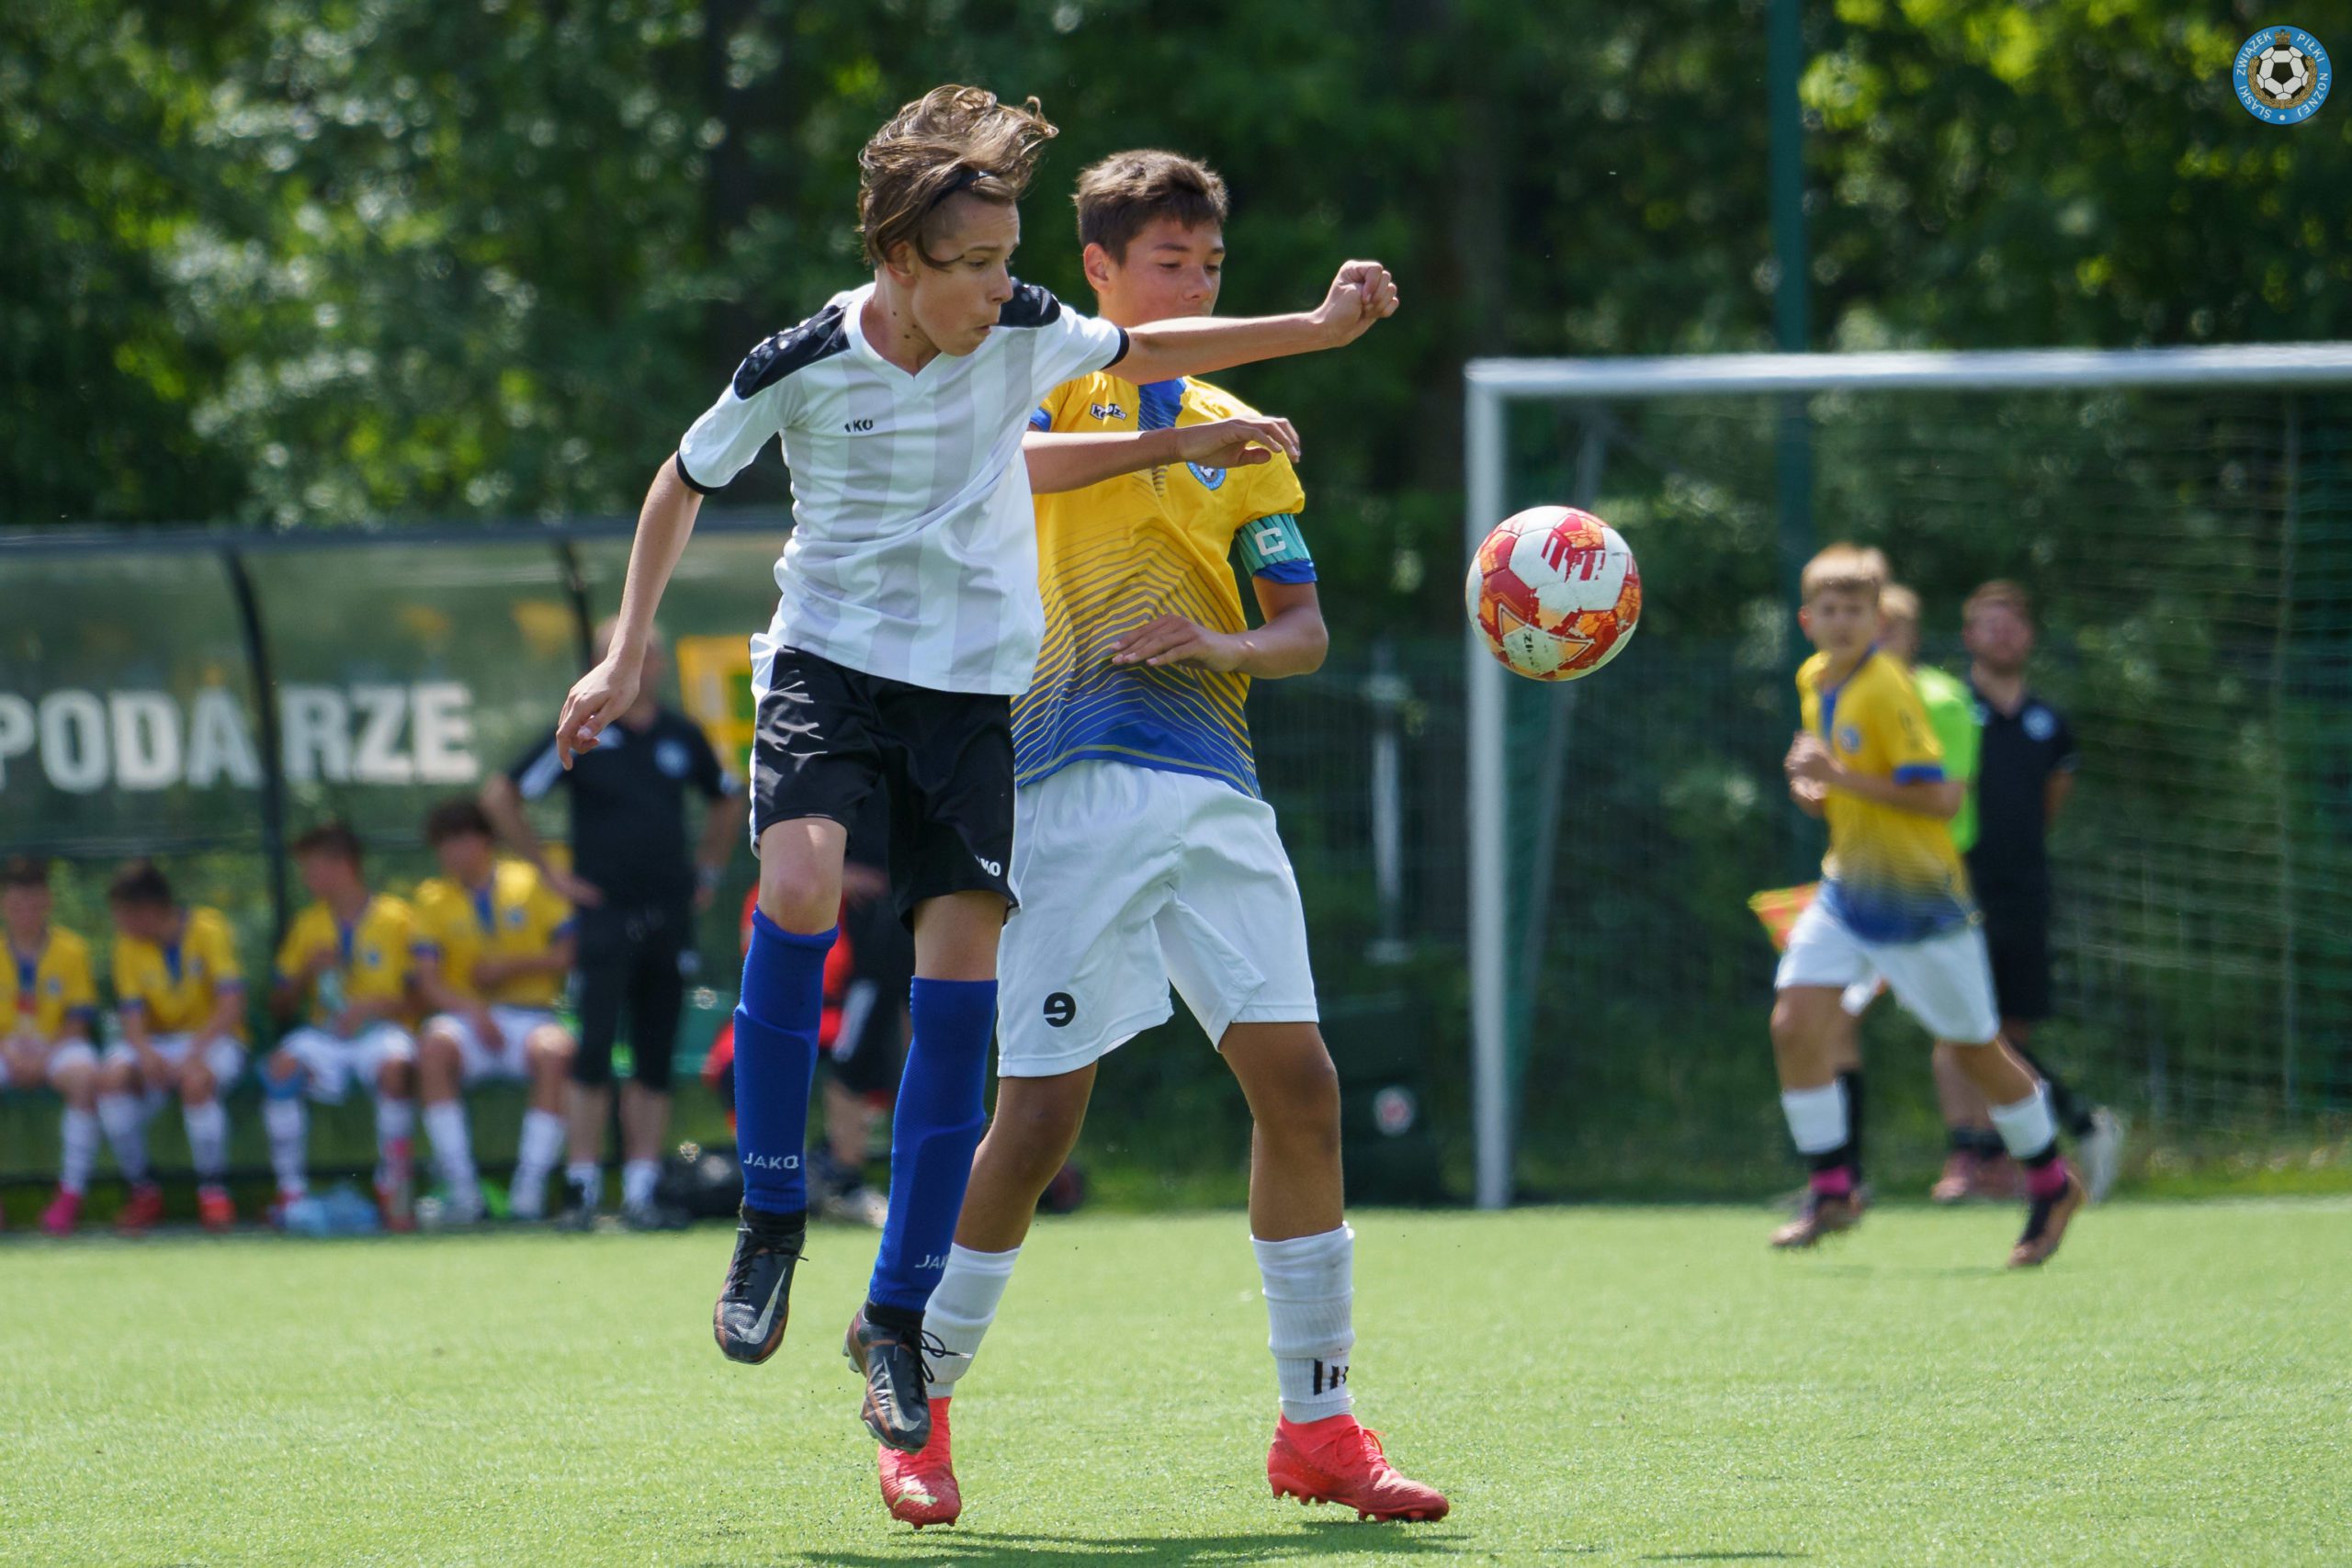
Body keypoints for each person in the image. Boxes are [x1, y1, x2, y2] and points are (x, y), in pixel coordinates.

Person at [549, 82, 1394, 1459]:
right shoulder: (902, 357)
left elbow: (1261, 549)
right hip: (928, 706)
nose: (1005, 288)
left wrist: (1305, 339)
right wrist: (624, 650)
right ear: (909, 260)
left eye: (1212, 264)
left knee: (1080, 1031)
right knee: (895, 975)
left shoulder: (1065, 348)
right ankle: (796, 1243)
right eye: (980, 264)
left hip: (1070, 732)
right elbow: (710, 476)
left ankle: (941, 1332)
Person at [884, 149, 1445, 1529]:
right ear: (1098, 272)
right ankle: (919, 1396)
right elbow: (1005, 468)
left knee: (1301, 1087)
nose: (1194, 285)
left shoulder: (1241, 429)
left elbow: (1303, 632)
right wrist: (1168, 441)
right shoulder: (1033, 375)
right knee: (1037, 1119)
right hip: (1060, 786)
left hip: (1215, 792)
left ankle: (1318, 1424)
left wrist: (1222, 642)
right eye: (1168, 263)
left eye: (1210, 265)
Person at [1768, 545, 2086, 1268]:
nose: (1843, 621)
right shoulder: (1814, 677)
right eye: (1830, 609)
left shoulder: (1890, 690)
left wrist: (1836, 774)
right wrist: (1815, 787)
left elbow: (1940, 799)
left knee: (1978, 1050)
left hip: (1921, 906)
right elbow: (1837, 791)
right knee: (1793, 1024)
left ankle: (2052, 1181)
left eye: (1857, 610)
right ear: (1807, 620)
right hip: (1847, 892)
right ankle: (1833, 1188)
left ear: (1879, 620)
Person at [486, 621, 744, 1230]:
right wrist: (550, 874)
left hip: (668, 917)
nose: (641, 665)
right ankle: (581, 1188)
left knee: (654, 1054)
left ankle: (641, 1190)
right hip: (603, 917)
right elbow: (501, 795)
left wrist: (706, 869)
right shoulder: (582, 731)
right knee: (594, 1049)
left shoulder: (681, 734)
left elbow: (729, 796)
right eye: (626, 654)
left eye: (649, 655)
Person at [1931, 581, 2123, 1201]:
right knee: (1956, 1023)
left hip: (2025, 892)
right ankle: (1967, 1155)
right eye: (1990, 624)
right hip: (1956, 888)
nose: (2003, 635)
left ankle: (2001, 1158)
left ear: (2030, 636)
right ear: (1969, 637)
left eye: (2013, 624)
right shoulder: (1950, 709)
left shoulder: (2050, 724)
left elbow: (2048, 805)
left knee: (2011, 1029)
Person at [409, 798, 579, 1224]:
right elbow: (428, 982)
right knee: (432, 1048)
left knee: (556, 1051)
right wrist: (474, 1010)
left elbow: (568, 953)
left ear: (484, 839)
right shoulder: (431, 898)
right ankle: (464, 1192)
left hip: (532, 1017)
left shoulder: (530, 880)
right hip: (467, 1023)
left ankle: (529, 1191)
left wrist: (510, 967)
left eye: (459, 839)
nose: (450, 852)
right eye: (443, 843)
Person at [261, 823, 421, 1230]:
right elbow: (279, 1006)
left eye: (312, 868)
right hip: (327, 1036)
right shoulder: (308, 924)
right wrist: (305, 973)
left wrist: (374, 1005)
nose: (306, 878)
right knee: (281, 1067)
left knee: (395, 1069)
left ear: (344, 866)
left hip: (383, 1032)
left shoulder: (398, 918)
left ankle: (394, 1190)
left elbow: (423, 998)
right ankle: (292, 1193)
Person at [97, 861, 249, 1233]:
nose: (120, 924)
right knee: (111, 1081)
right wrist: (146, 1055)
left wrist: (194, 1053)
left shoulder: (209, 928)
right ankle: (143, 1191)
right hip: (158, 1043)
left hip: (215, 1038)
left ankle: (214, 1194)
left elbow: (231, 1006)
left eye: (124, 915)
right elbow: (132, 1018)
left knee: (197, 1082)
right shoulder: (126, 946)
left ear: (149, 910)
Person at [2, 857, 102, 1236]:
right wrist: (11, 1053)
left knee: (84, 1078)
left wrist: (43, 1057)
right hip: (7, 1048)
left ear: (47, 902)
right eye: (16, 905)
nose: (25, 913)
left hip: (59, 1044)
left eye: (33, 903)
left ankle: (70, 1194)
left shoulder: (72, 949)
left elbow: (79, 1018)